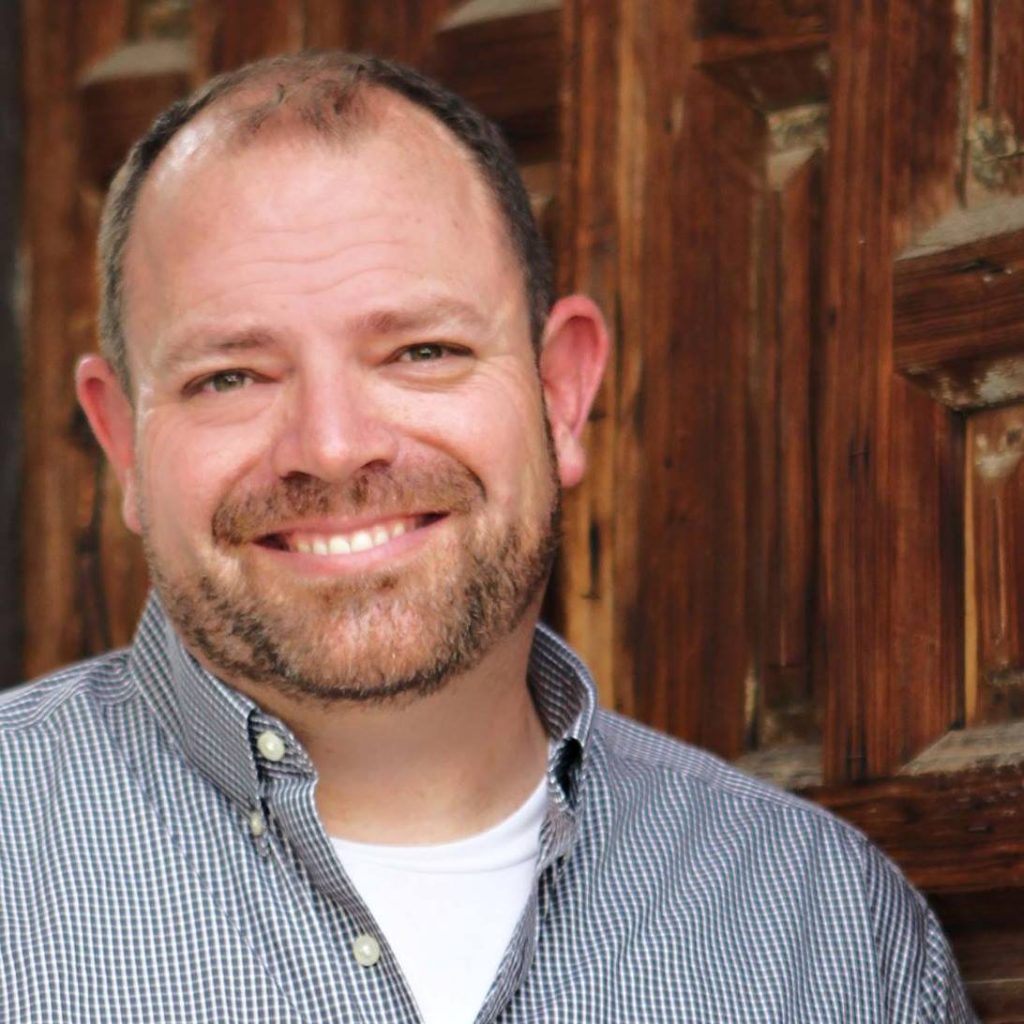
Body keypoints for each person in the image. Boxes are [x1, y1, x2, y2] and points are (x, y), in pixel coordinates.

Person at [1, 51, 974, 1023]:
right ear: (122, 442)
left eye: (422, 351)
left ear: (562, 394)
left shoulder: (829, 931)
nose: (332, 448)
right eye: (230, 377)